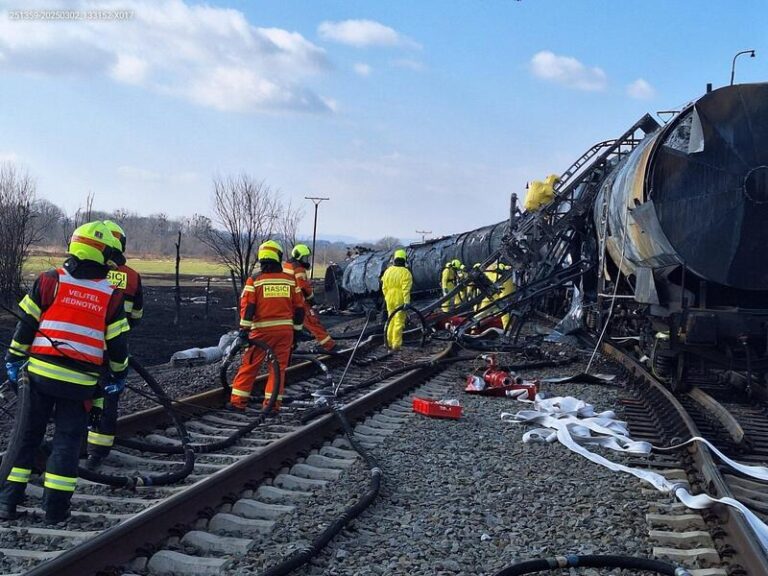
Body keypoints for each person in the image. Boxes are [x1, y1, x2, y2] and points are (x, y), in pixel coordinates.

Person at [0, 221, 130, 523]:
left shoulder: (50, 280)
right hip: (81, 384)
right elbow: (118, 346)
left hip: (39, 377)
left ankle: (7, 503)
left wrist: (13, 360)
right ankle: (55, 510)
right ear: (100, 253)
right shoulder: (110, 294)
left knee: (26, 438)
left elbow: (26, 325)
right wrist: (118, 375)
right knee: (68, 442)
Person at [86, 219, 144, 467]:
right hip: (115, 347)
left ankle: (70, 439)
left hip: (82, 344)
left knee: (79, 392)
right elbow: (137, 315)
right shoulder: (131, 277)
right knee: (108, 397)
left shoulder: (86, 270)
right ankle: (97, 452)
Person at [229, 240, 304, 411]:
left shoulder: (254, 280)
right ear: (278, 257)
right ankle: (272, 406)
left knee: (250, 366)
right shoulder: (289, 280)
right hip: (285, 333)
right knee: (278, 370)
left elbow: (248, 308)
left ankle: (238, 403)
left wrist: (243, 332)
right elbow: (299, 309)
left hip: (261, 333)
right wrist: (297, 331)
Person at [283, 244, 335, 352]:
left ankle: (289, 347)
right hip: (299, 300)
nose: (306, 260)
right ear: (299, 256)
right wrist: (312, 300)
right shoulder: (298, 269)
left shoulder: (287, 265)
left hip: (287, 300)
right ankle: (329, 345)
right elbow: (304, 287)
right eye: (305, 258)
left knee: (290, 325)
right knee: (312, 322)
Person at [381, 248, 413, 351]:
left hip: (389, 297)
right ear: (404, 259)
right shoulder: (406, 272)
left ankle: (388, 342)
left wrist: (387, 297)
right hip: (400, 297)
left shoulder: (388, 271)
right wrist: (407, 301)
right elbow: (406, 289)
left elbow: (384, 287)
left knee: (390, 319)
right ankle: (396, 345)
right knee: (399, 321)